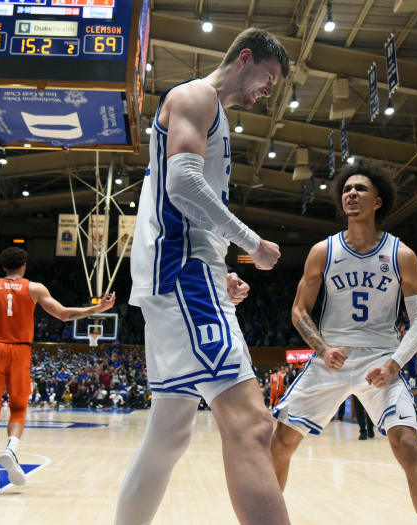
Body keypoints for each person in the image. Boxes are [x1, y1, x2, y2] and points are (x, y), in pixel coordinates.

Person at [115, 28, 291, 525]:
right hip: (182, 272)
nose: (267, 91)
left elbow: (185, 202)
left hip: (186, 272)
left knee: (169, 435)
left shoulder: (212, 111)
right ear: (246, 58)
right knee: (253, 424)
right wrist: (251, 244)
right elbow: (183, 183)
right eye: (268, 78)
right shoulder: (197, 95)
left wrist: (220, 272)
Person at [270, 162, 417, 525]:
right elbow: (300, 310)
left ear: (378, 201)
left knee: (407, 443)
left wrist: (394, 364)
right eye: (347, 189)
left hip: (381, 360)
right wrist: (321, 349)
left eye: (360, 189)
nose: (351, 193)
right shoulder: (324, 250)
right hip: (330, 357)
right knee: (281, 442)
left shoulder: (401, 255)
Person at [0, 247, 115, 492]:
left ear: (3, 267)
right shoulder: (34, 288)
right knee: (19, 408)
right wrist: (94, 310)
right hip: (20, 351)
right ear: (24, 266)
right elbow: (63, 315)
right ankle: (11, 447)